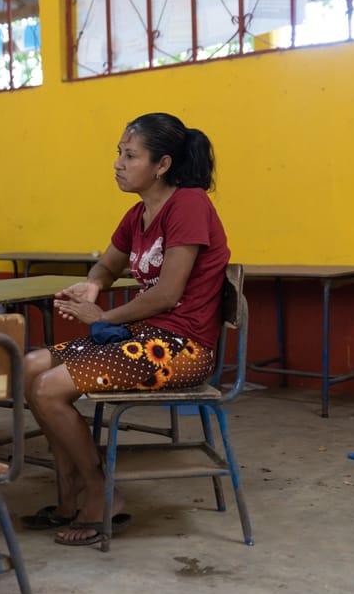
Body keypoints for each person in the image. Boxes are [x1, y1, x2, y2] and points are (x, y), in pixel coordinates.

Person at [21, 112, 230, 546]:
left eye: (130, 155)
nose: (118, 162)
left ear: (163, 165)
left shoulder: (189, 205)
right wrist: (94, 284)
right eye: (119, 152)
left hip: (182, 349)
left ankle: (100, 490)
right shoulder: (137, 215)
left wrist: (103, 317)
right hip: (143, 342)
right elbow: (108, 264)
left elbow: (167, 294)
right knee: (29, 368)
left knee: (48, 388)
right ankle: (68, 491)